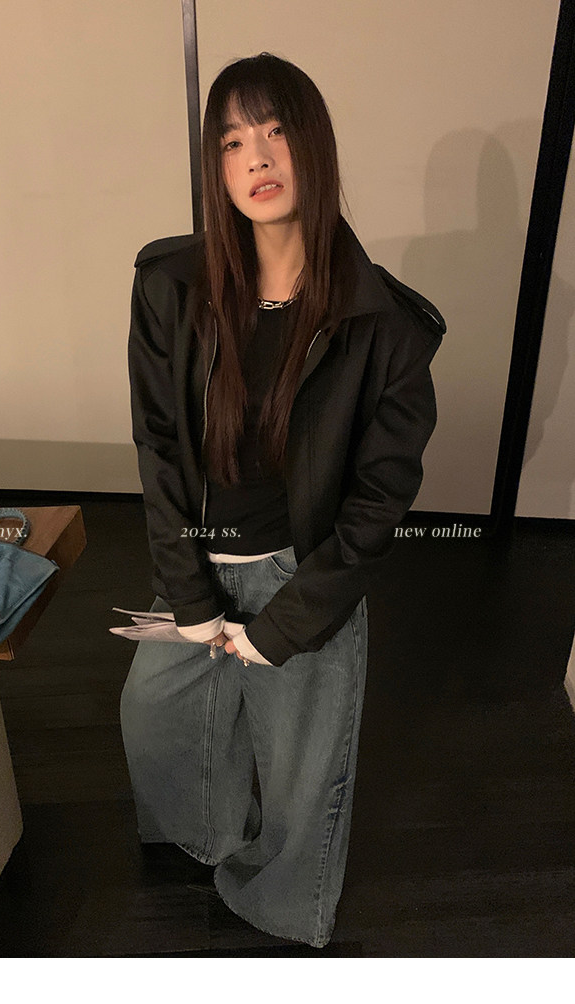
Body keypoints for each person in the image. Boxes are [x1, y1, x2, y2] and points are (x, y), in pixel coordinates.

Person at [120, 52, 446, 948]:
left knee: (306, 778)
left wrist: (285, 626)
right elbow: (158, 444)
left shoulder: (388, 326)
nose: (256, 157)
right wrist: (188, 594)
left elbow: (378, 504)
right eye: (232, 141)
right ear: (216, 167)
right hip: (203, 552)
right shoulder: (170, 285)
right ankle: (205, 837)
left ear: (315, 147)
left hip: (305, 571)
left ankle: (277, 906)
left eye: (275, 132)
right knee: (155, 716)